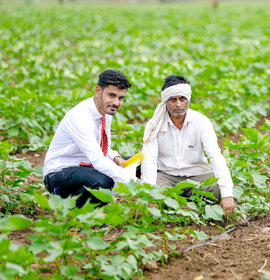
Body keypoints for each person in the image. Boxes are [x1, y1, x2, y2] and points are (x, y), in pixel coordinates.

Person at [141, 75, 235, 216]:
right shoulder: (154, 125)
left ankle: (179, 208)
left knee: (218, 190)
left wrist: (227, 194)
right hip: (167, 176)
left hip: (197, 176)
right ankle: (192, 209)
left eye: (182, 99)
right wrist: (149, 192)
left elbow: (215, 157)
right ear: (165, 101)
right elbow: (149, 159)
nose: (178, 104)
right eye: (173, 99)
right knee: (157, 193)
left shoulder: (201, 122)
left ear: (188, 100)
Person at [43, 69, 135, 208]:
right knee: (103, 181)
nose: (116, 102)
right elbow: (97, 159)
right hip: (60, 173)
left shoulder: (106, 111)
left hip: (88, 167)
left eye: (120, 98)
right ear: (98, 91)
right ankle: (77, 211)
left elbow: (103, 147)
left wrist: (116, 158)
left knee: (138, 165)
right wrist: (134, 183)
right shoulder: (80, 117)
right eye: (111, 95)